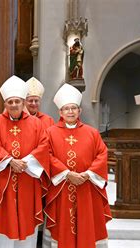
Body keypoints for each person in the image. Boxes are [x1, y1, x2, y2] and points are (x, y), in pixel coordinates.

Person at [0, 75, 50, 247]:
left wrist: (25, 163)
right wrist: (9, 161)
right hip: (2, 182)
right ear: (5, 104)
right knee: (2, 218)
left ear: (23, 103)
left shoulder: (36, 124)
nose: (14, 105)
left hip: (27, 179)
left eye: (17, 101)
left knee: (26, 218)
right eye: (10, 102)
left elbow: (44, 146)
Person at [43, 84, 111, 248]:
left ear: (79, 111)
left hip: (86, 186)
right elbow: (47, 155)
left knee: (87, 222)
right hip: (63, 187)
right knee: (64, 223)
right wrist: (66, 173)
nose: (71, 112)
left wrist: (88, 174)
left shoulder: (92, 132)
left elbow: (102, 154)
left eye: (74, 108)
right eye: (67, 109)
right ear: (60, 112)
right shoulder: (50, 132)